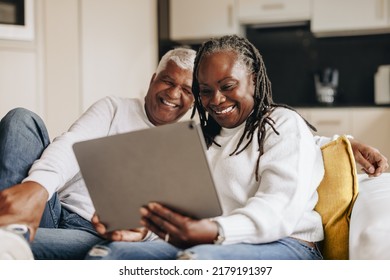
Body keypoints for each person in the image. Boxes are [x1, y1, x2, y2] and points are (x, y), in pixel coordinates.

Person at [84, 35, 388, 260]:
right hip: (213, 241)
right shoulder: (198, 138)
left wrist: (212, 231)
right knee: (108, 254)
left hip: (287, 245)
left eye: (227, 86)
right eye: (205, 91)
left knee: (195, 263)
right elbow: (180, 214)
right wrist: (143, 231)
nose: (216, 100)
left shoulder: (281, 123)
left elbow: (277, 211)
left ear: (253, 80)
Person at [0, 47, 197, 259]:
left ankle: (9, 234)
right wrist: (38, 186)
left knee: (10, 243)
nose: (174, 94)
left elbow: (165, 226)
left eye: (186, 90)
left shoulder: (182, 147)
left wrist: (139, 233)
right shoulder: (114, 108)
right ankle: (11, 223)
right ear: (153, 80)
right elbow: (71, 143)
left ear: (194, 100)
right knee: (22, 119)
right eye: (168, 81)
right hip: (52, 207)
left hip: (91, 232)